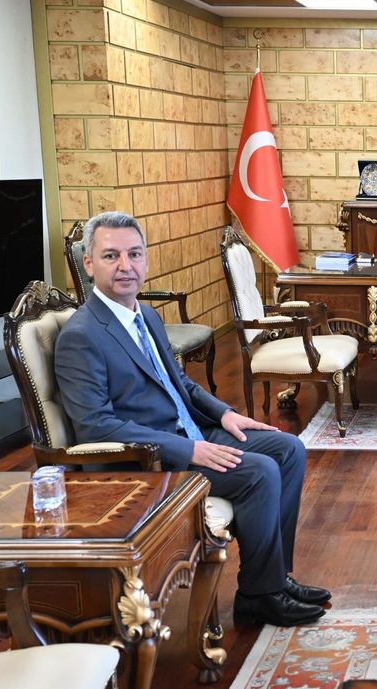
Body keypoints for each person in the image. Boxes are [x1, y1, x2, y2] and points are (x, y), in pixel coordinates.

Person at [55, 211, 330, 628]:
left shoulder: (146, 316)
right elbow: (96, 425)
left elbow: (179, 383)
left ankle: (274, 578)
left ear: (146, 260)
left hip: (190, 432)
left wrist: (226, 414)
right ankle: (260, 596)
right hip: (149, 459)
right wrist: (189, 449)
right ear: (89, 264)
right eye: (111, 256)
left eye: (134, 254)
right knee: (259, 472)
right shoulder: (82, 335)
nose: (125, 266)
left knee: (288, 448)